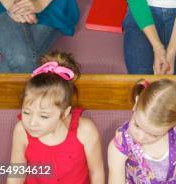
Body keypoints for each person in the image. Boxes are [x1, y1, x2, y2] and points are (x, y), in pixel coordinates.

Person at [8, 52, 104, 184]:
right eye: (27, 112)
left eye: (43, 116)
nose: (31, 122)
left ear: (64, 113)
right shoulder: (21, 130)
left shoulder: (85, 131)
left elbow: (96, 172)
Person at [108, 78, 176, 184]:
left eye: (153, 135)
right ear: (136, 103)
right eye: (137, 125)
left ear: (173, 124)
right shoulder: (120, 144)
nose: (140, 137)